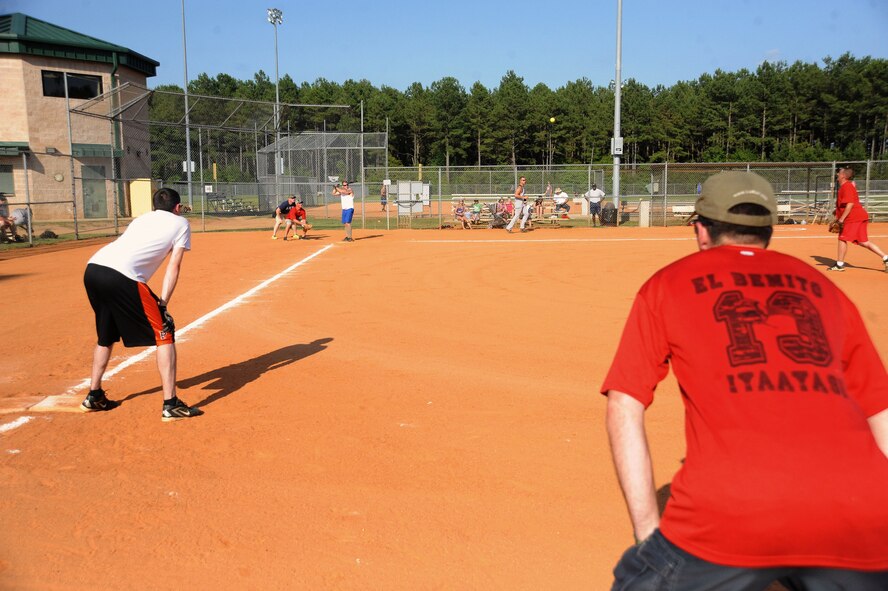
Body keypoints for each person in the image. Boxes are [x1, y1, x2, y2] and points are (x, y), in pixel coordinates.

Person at [602, 171, 888, 591]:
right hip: (860, 512)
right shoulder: (828, 291)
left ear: (702, 231)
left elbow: (624, 404)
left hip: (729, 515)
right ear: (769, 232)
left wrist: (647, 537)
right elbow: (881, 413)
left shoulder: (666, 285)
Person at [81, 187, 203, 422]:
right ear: (177, 208)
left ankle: (94, 395)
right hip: (123, 276)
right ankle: (171, 404)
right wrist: (163, 304)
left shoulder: (142, 219)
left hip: (94, 268)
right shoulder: (181, 223)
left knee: (106, 334)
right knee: (164, 332)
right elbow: (174, 265)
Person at [828, 166, 888, 272]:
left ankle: (839, 265)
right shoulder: (845, 186)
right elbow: (846, 204)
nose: (837, 174)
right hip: (859, 216)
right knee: (863, 241)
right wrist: (836, 212)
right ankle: (886, 258)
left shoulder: (847, 186)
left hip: (853, 218)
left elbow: (850, 204)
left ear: (843, 176)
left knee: (842, 238)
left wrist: (841, 219)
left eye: (838, 172)